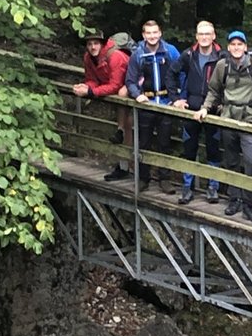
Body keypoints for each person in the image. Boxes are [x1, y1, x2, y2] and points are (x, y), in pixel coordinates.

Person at [198, 30, 252, 221]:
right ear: (228, 47)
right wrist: (205, 108)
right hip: (228, 118)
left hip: (250, 119)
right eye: (233, 44)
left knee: (251, 161)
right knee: (231, 161)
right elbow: (214, 90)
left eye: (240, 44)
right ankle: (234, 198)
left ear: (245, 47)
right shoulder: (222, 66)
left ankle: (249, 203)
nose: (236, 47)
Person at [168, 21, 222, 205]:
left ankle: (213, 187)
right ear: (197, 36)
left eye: (208, 34)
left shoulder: (221, 56)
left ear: (213, 36)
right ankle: (187, 187)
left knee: (213, 149)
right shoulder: (188, 55)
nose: (204, 37)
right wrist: (175, 98)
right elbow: (171, 74)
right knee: (189, 148)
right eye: (201, 34)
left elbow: (229, 80)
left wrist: (223, 102)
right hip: (191, 107)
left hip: (214, 109)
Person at [123, 20, 180, 192]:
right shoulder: (138, 54)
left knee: (165, 143)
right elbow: (130, 80)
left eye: (155, 32)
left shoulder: (170, 51)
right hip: (146, 104)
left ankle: (165, 179)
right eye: (148, 33)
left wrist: (177, 97)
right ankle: (143, 178)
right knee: (144, 142)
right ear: (143, 35)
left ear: (160, 33)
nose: (152, 36)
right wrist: (137, 94)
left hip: (166, 103)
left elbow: (182, 73)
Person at [73, 31, 131, 182]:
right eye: (89, 44)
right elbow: (92, 79)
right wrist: (86, 87)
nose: (93, 47)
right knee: (126, 129)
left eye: (96, 43)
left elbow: (115, 85)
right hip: (118, 93)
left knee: (129, 127)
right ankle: (124, 166)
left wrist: (91, 92)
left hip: (133, 86)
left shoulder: (115, 56)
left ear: (102, 44)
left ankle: (132, 168)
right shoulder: (88, 58)